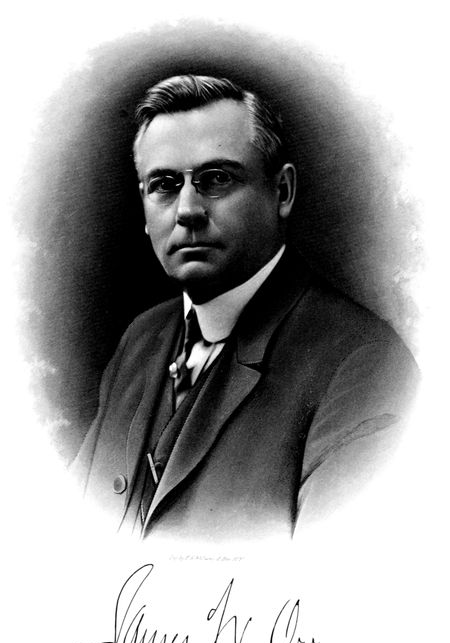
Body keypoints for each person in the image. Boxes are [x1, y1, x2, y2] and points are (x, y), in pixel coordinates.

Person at [72, 74, 418, 542]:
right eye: (165, 185)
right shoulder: (142, 338)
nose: (187, 209)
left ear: (282, 192)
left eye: (216, 179)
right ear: (144, 205)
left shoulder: (365, 367)